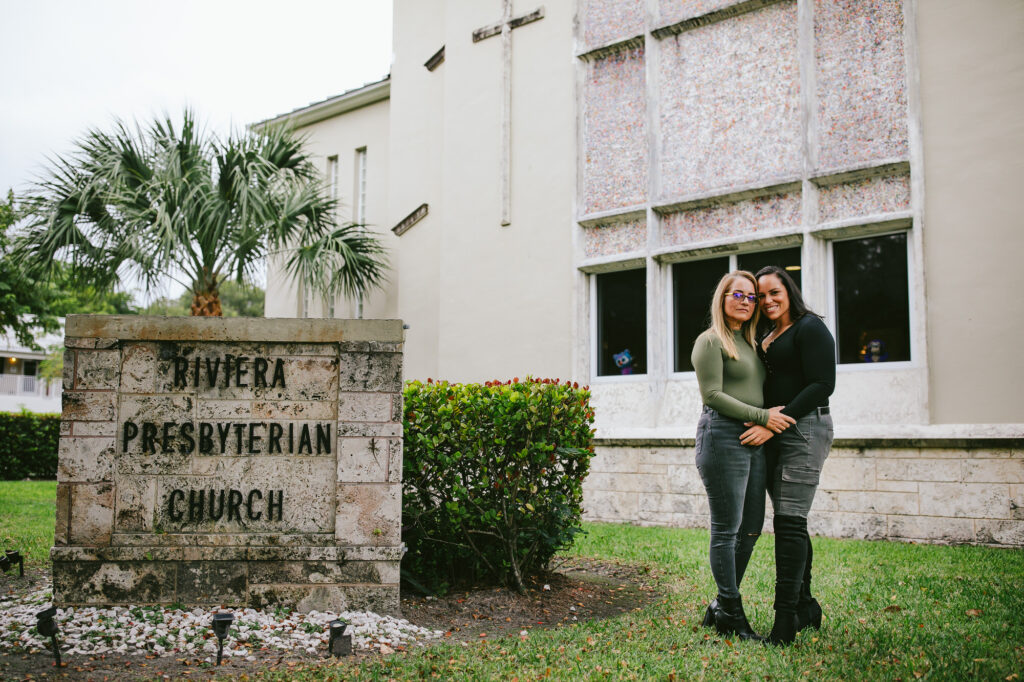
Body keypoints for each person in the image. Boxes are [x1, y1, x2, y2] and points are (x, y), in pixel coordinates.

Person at [691, 271, 795, 641]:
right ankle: (732, 613)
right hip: (722, 436)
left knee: (751, 528)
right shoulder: (710, 342)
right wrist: (762, 416)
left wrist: (766, 423)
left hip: (754, 440)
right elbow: (713, 395)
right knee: (726, 529)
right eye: (738, 294)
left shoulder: (751, 343)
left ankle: (721, 605)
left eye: (751, 297)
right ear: (722, 298)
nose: (746, 302)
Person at [742, 265, 836, 646]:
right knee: (790, 519)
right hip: (777, 433)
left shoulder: (810, 327)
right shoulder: (769, 332)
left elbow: (822, 384)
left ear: (789, 291)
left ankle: (784, 625)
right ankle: (805, 606)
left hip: (803, 428)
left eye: (773, 293)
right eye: (760, 296)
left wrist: (773, 423)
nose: (767, 301)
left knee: (789, 524)